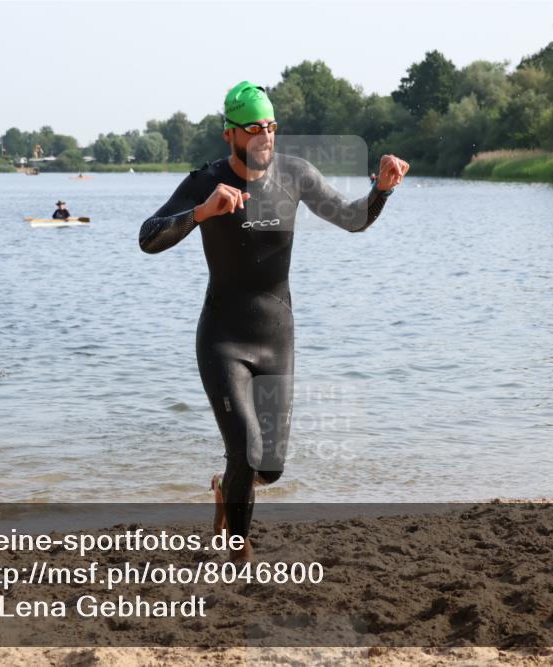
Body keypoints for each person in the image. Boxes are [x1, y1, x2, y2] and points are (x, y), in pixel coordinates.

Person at [139, 81, 409, 562]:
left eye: (270, 127)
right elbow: (148, 238)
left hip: (276, 336)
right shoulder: (207, 182)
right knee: (245, 447)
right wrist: (203, 212)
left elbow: (353, 220)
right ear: (230, 134)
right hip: (223, 337)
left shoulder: (295, 174)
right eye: (254, 128)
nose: (265, 137)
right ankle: (237, 554)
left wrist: (380, 189)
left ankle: (228, 486)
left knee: (269, 467)